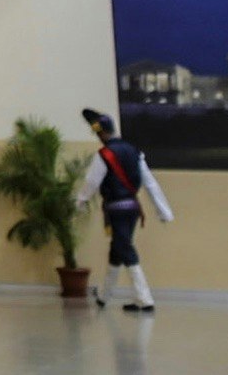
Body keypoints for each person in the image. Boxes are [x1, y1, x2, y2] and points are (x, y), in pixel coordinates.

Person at [75, 108, 175, 313]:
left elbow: (92, 182)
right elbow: (150, 183)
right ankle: (104, 296)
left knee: (126, 249)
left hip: (116, 209)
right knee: (118, 248)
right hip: (132, 209)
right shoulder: (133, 150)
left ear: (101, 133)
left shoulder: (105, 154)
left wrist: (80, 200)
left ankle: (144, 299)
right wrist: (164, 211)